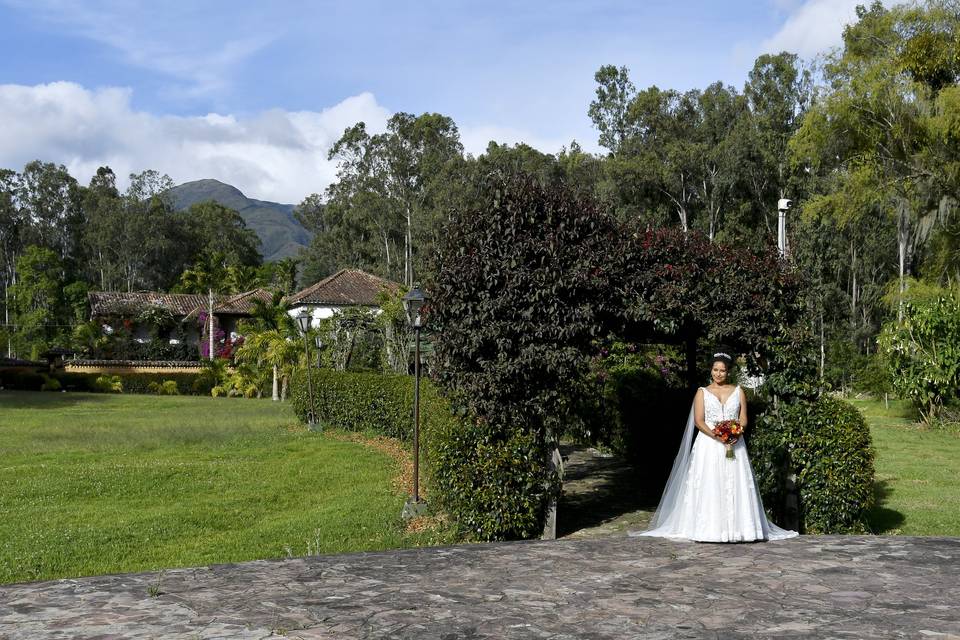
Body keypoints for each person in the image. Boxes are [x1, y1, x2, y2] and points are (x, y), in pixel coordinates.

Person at [630, 352, 797, 542]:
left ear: (728, 372)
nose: (718, 374)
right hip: (709, 445)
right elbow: (699, 421)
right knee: (710, 483)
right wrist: (719, 436)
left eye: (722, 370)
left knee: (736, 483)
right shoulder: (702, 392)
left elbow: (743, 418)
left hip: (735, 444)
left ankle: (740, 530)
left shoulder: (738, 391)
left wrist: (736, 433)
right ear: (711, 370)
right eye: (715, 370)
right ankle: (709, 529)